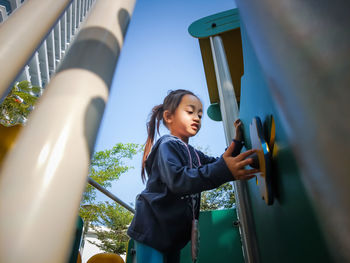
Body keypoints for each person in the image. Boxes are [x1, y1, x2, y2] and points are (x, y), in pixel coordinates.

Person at [127, 89, 258, 263]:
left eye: (200, 114)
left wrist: (237, 142)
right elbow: (178, 180)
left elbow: (217, 164)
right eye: (190, 112)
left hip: (172, 235)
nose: (196, 117)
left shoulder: (194, 154)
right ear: (168, 117)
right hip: (152, 229)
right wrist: (224, 170)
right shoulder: (167, 145)